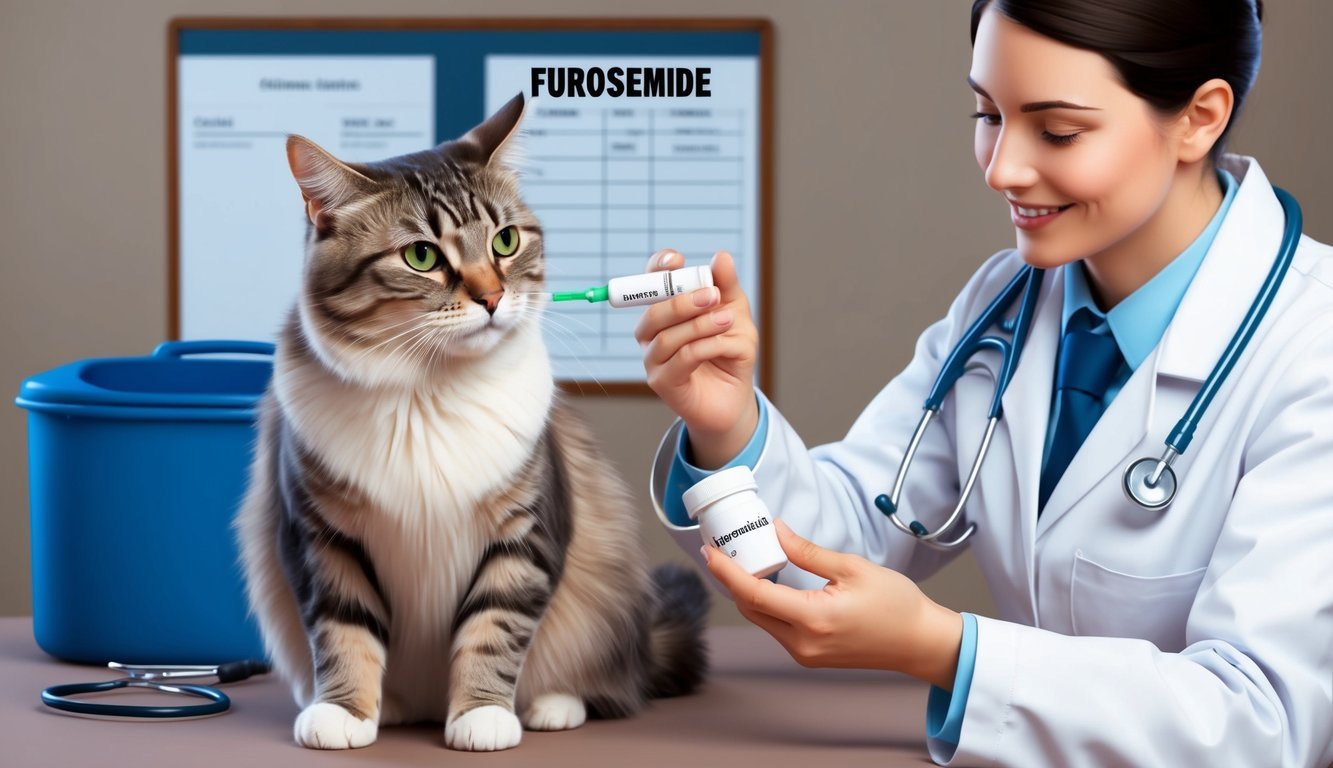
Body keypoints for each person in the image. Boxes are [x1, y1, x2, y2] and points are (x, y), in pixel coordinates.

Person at [635, 1, 1333, 765]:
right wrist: (726, 421)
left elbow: (1262, 723)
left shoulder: (1309, 344)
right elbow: (826, 555)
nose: (1001, 168)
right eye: (986, 113)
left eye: (1057, 130)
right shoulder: (1002, 307)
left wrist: (946, 649)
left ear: (1198, 118)